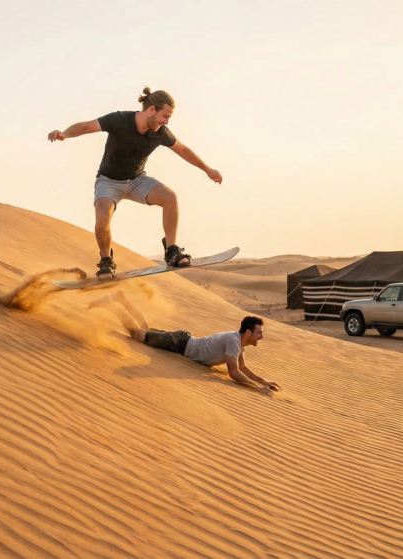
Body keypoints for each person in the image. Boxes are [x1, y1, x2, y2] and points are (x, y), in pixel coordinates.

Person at [47, 87, 223, 278]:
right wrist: (64, 133)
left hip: (137, 180)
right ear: (152, 110)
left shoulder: (161, 132)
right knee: (102, 218)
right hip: (108, 181)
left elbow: (183, 150)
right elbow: (87, 126)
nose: (166, 121)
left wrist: (207, 169)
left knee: (170, 198)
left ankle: (172, 251)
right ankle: (106, 261)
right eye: (165, 116)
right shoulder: (120, 120)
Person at [89, 291, 280, 393]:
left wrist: (263, 381)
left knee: (145, 330)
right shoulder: (233, 341)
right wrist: (256, 388)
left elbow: (243, 369)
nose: (261, 337)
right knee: (138, 336)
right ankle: (112, 306)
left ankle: (121, 299)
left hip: (183, 341)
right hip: (180, 344)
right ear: (248, 332)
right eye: (259, 333)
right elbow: (233, 373)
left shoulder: (238, 343)